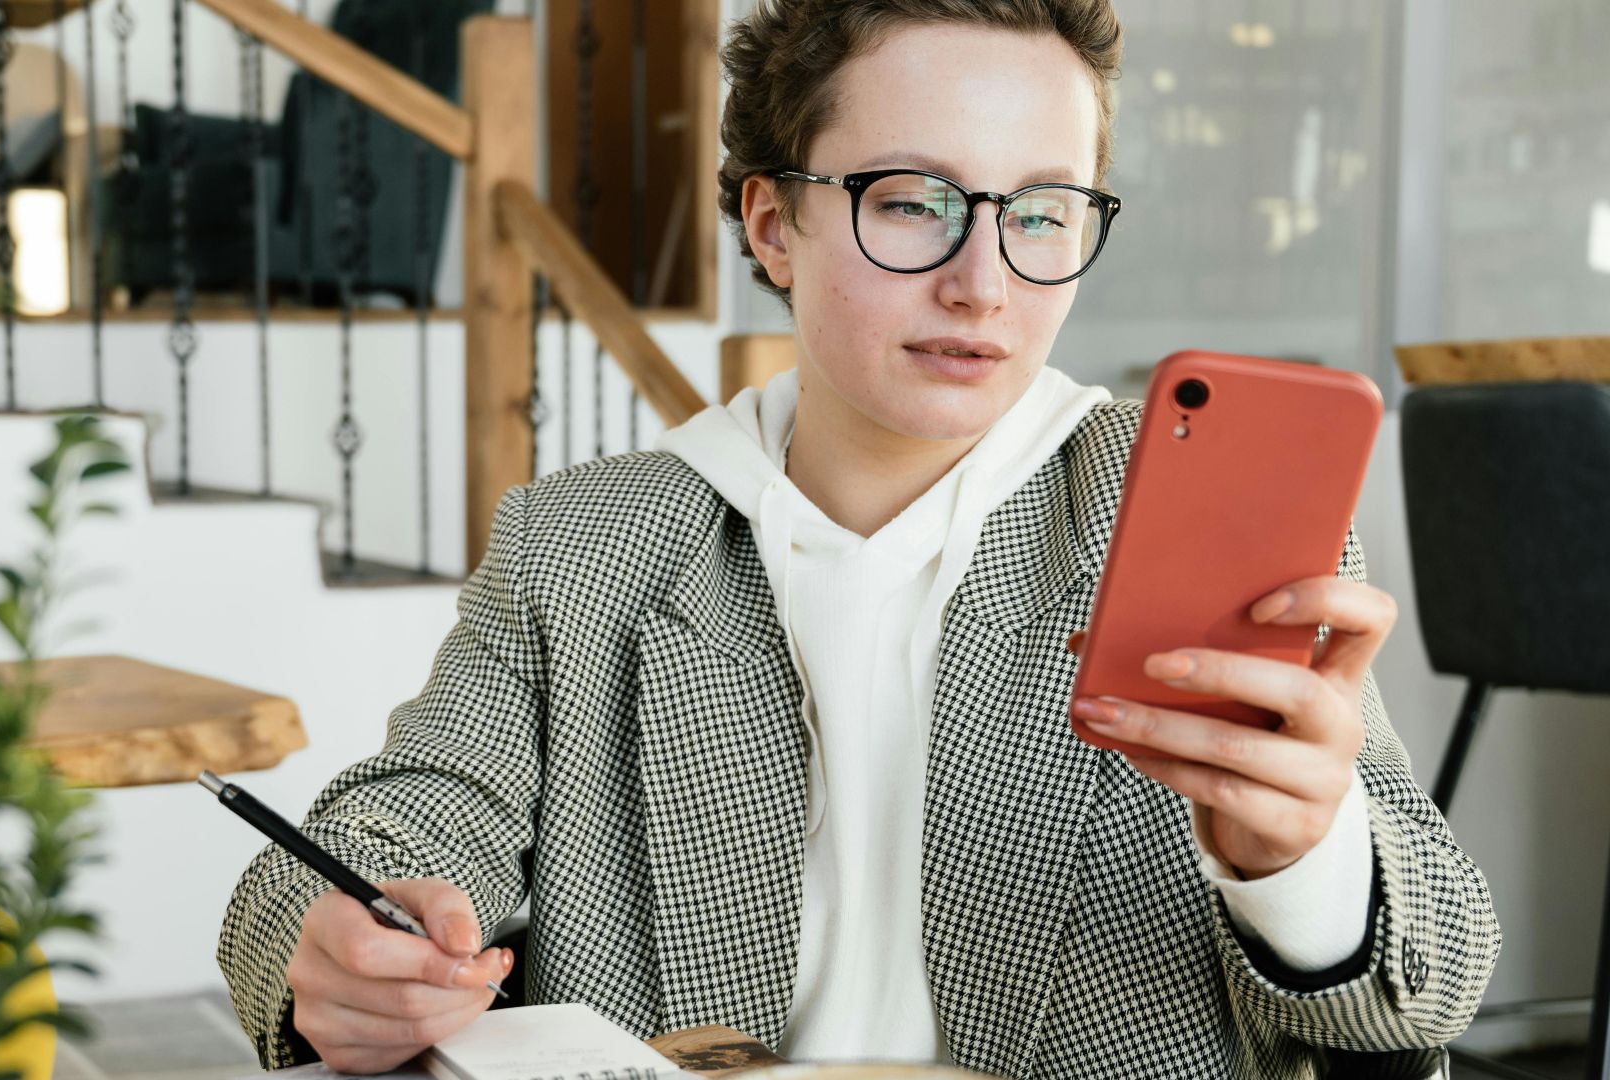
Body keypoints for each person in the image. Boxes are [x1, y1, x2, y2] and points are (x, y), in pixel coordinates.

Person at [219, 1, 1499, 1076]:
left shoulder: (1194, 517)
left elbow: (1425, 987)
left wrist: (1304, 861)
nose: (984, 284)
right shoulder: (583, 542)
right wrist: (331, 945)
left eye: (1043, 211)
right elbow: (401, 825)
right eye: (914, 201)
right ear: (775, 226)